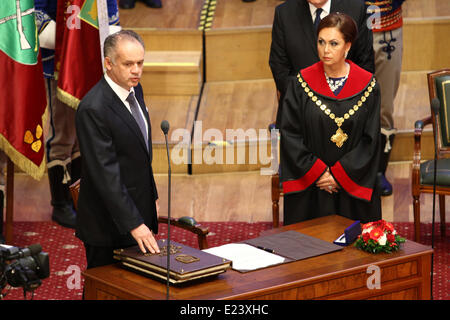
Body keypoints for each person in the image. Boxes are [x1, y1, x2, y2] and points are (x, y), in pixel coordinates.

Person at [280, 12, 381, 225]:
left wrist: (338, 175)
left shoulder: (368, 86)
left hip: (352, 185)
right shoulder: (300, 83)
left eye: (334, 43)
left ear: (348, 46)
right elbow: (290, 133)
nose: (326, 50)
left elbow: (370, 141)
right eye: (321, 42)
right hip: (311, 185)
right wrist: (318, 173)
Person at [75, 30, 160, 269]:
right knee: (105, 293)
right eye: (129, 64)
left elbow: (139, 153)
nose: (137, 70)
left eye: (140, 63)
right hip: (107, 225)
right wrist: (134, 223)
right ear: (108, 63)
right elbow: (105, 175)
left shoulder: (135, 90)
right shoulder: (93, 109)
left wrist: (151, 196)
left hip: (138, 210)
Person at [35, 0, 120, 229]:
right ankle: (61, 203)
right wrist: (72, 41)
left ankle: (81, 199)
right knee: (62, 135)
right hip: (58, 67)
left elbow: (110, 18)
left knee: (84, 137)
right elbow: (36, 16)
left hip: (91, 67)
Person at [269, 0, 375, 127]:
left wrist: (340, 103)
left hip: (347, 113)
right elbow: (279, 67)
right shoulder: (284, 13)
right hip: (299, 114)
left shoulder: (357, 8)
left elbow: (365, 63)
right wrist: (311, 103)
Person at [365, 0, 405, 196]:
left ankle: (379, 171)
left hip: (388, 26)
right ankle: (351, 171)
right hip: (348, 23)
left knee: (384, 103)